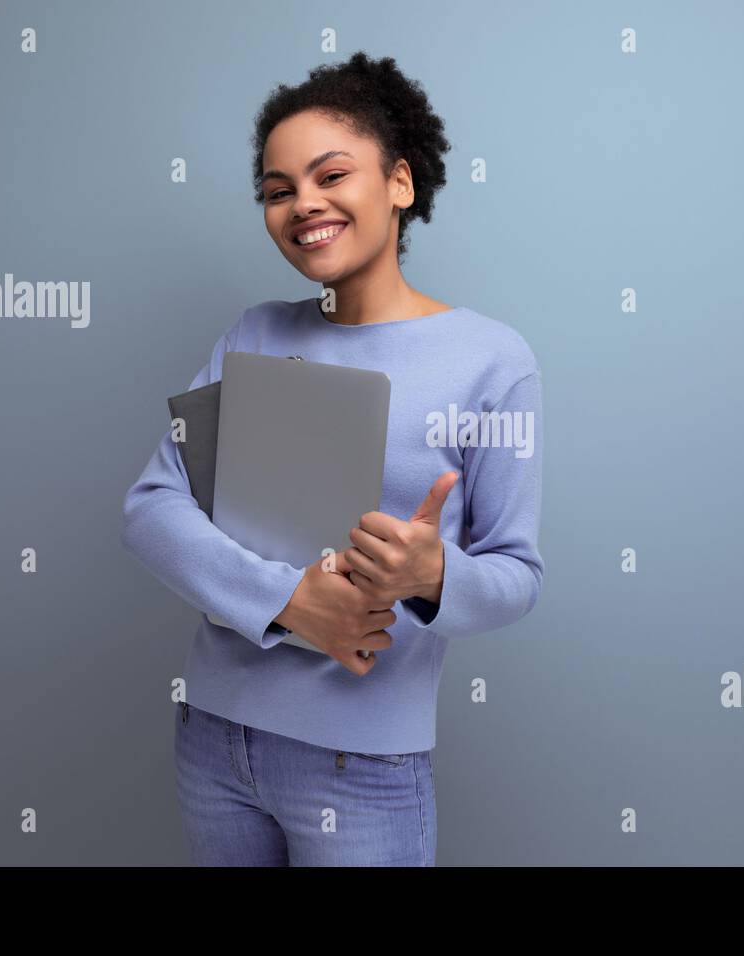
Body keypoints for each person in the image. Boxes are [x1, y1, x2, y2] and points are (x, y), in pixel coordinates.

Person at [120, 51, 544, 866]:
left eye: (330, 175)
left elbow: (516, 574)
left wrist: (432, 575)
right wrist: (290, 601)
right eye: (278, 191)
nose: (301, 204)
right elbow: (151, 507)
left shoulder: (492, 361)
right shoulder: (254, 334)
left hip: (362, 767)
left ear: (400, 184)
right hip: (212, 744)